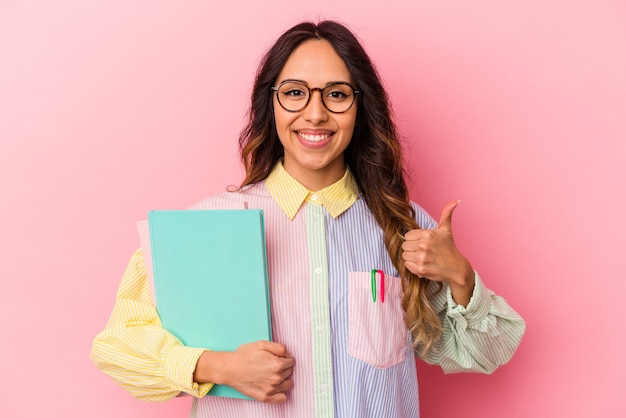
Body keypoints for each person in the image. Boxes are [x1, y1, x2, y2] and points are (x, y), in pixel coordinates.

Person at [91, 20, 525, 418]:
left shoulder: (405, 227)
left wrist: (460, 278)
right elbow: (118, 345)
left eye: (335, 94)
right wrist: (218, 366)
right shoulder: (207, 226)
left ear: (360, 107)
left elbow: (487, 352)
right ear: (272, 103)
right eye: (295, 92)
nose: (315, 114)